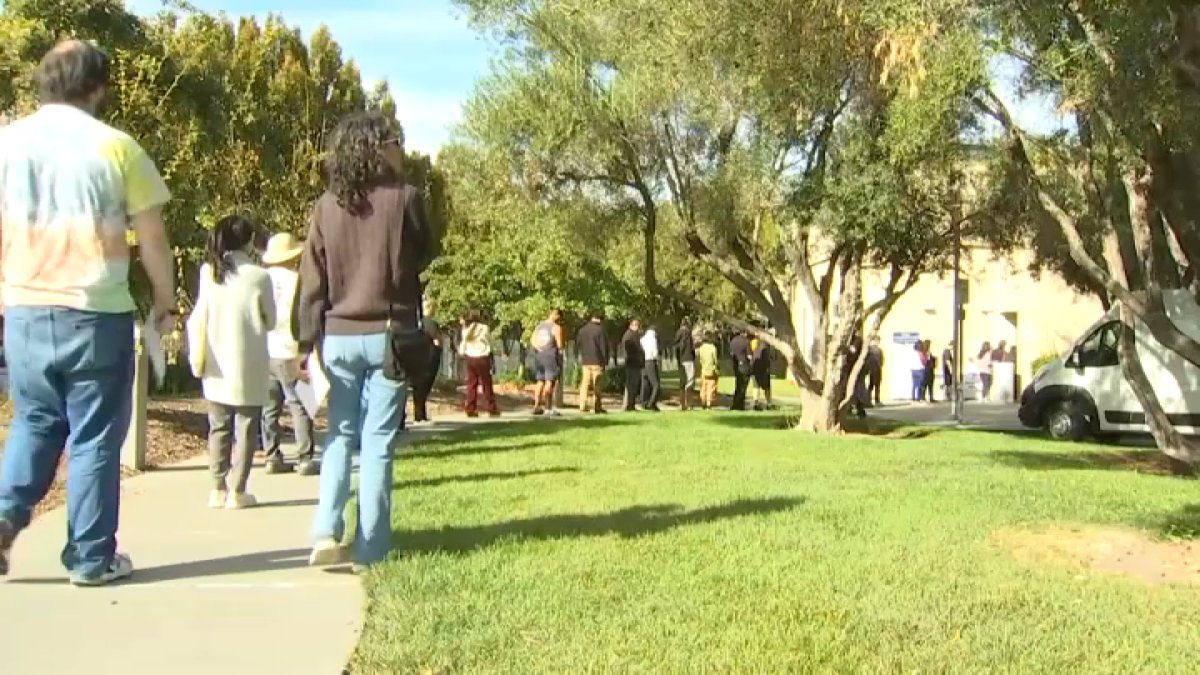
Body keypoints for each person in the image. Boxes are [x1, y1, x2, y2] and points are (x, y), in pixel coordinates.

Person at [0, 41, 175, 585]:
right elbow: (152, 238)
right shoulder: (117, 148)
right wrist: (166, 301)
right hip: (95, 311)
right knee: (96, 436)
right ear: (98, 88)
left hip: (25, 308)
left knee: (34, 420)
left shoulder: (7, 143)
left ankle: (4, 514)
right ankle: (91, 557)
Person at [295, 111, 440, 570]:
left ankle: (324, 531)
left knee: (338, 435)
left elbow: (311, 279)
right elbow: (428, 248)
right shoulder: (407, 198)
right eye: (396, 140)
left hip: (337, 336)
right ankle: (371, 547)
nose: (402, 148)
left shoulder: (325, 207)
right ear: (380, 147)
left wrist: (304, 339)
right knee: (376, 441)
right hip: (390, 335)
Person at [188, 215, 276, 509]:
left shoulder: (210, 273)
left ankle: (217, 488)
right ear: (249, 241)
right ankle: (238, 489)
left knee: (219, 426)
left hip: (216, 361)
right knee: (247, 428)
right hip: (249, 363)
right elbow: (271, 319)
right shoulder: (260, 276)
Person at [260, 232, 318, 476]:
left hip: (265, 349)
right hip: (291, 348)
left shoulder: (260, 280)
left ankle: (272, 455)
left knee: (269, 407)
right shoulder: (299, 281)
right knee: (300, 405)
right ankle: (305, 457)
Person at [459, 309, 499, 418]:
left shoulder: (466, 329)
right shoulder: (484, 328)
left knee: (472, 384)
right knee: (486, 384)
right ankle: (491, 408)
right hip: (482, 357)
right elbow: (489, 342)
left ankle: (470, 408)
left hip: (470, 357)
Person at [411, 297, 442, 423]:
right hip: (429, 357)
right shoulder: (430, 323)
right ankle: (419, 415)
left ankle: (420, 414)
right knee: (423, 387)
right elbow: (437, 340)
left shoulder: (415, 322)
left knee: (418, 387)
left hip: (416, 356)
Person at [531, 308, 565, 416]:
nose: (560, 319)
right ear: (556, 315)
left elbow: (532, 341)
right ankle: (548, 407)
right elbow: (560, 345)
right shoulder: (556, 327)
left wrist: (539, 348)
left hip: (539, 355)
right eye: (559, 317)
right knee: (550, 381)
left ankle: (536, 406)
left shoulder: (539, 326)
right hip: (551, 355)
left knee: (540, 381)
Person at [576, 311, 609, 413]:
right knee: (597, 384)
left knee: (585, 383)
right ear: (599, 319)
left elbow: (577, 345)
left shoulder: (582, 330)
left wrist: (577, 357)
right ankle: (597, 406)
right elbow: (603, 347)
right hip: (597, 361)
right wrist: (605, 360)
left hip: (585, 361)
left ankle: (583, 405)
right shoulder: (600, 331)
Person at [621, 319, 645, 411]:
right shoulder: (629, 336)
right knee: (631, 385)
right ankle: (629, 405)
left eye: (637, 325)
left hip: (635, 363)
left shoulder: (634, 335)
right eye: (635, 325)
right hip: (632, 363)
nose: (637, 327)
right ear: (630, 325)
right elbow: (630, 350)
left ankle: (629, 404)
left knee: (632, 385)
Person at [674, 318, 697, 410]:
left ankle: (682, 404)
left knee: (682, 382)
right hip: (688, 358)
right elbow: (691, 348)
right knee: (690, 382)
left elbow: (675, 346)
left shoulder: (678, 333)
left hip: (680, 360)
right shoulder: (688, 333)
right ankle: (689, 404)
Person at [729, 329, 753, 410]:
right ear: (745, 333)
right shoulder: (746, 342)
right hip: (744, 366)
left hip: (736, 366)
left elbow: (731, 353)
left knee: (738, 385)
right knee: (743, 386)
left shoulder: (733, 341)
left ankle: (735, 403)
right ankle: (739, 405)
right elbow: (749, 356)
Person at [696, 333, 721, 409]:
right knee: (711, 387)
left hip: (703, 370)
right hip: (711, 370)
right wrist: (717, 367)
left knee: (703, 387)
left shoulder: (701, 348)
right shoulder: (712, 348)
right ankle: (708, 402)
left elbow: (699, 359)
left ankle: (703, 401)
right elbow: (715, 360)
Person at [640, 327, 662, 411]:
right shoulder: (653, 340)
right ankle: (651, 403)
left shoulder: (642, 339)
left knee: (645, 383)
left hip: (643, 362)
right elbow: (655, 352)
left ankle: (644, 403)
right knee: (656, 385)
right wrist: (658, 360)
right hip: (651, 362)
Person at [751, 334, 773, 410]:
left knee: (756, 387)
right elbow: (767, 360)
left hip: (755, 369)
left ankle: (756, 403)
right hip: (763, 370)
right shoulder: (765, 349)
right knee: (767, 387)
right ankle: (769, 404)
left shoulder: (754, 346)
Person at [865, 336, 884, 406]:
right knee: (873, 386)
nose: (878, 342)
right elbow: (881, 361)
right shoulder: (873, 350)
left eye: (878, 341)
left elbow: (882, 360)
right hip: (874, 369)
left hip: (875, 369)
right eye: (877, 341)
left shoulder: (873, 349)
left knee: (874, 386)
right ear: (874, 341)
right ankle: (875, 400)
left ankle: (870, 400)